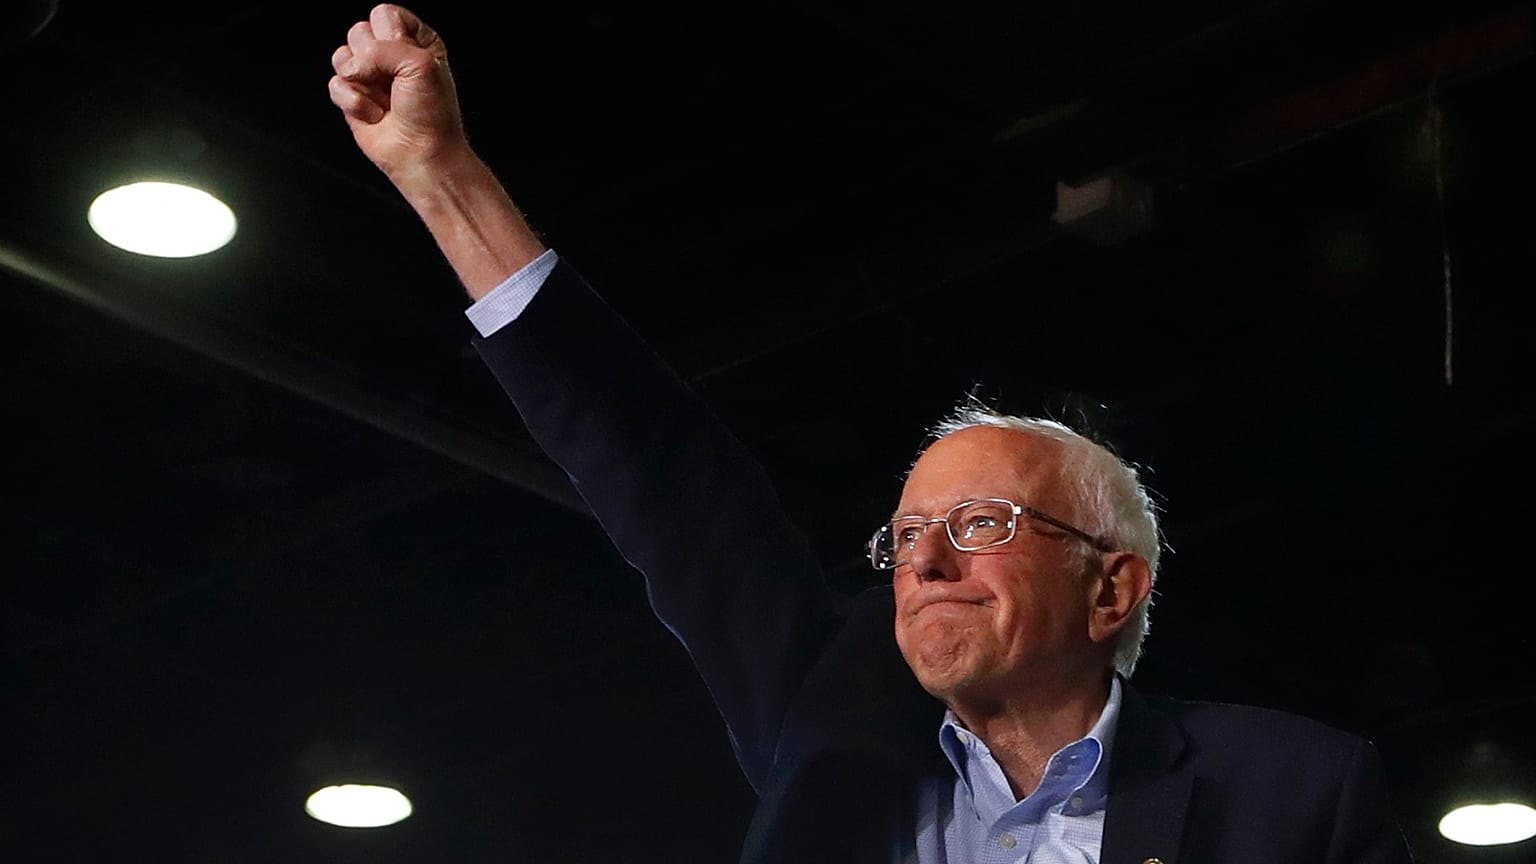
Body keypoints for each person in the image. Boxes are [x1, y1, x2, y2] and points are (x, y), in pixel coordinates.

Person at [328, 6, 1415, 862]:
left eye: (982, 522)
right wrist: (443, 177)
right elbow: (666, 483)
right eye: (904, 538)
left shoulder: (1290, 790)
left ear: (1110, 588)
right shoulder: (835, 717)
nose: (926, 561)